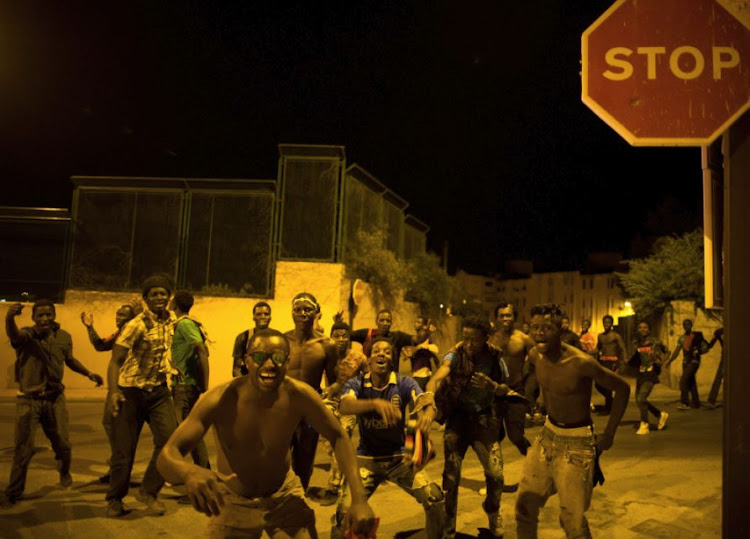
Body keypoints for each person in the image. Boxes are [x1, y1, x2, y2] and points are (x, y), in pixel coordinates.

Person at [156, 328, 377, 538]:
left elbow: (338, 435)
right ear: (246, 360)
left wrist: (358, 499)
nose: (270, 365)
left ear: (288, 362)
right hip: (233, 501)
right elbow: (167, 455)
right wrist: (188, 472)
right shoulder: (220, 399)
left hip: (284, 496)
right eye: (260, 357)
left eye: (279, 357)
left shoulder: (299, 395)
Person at [515, 304, 630, 539]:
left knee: (572, 522)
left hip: (577, 443)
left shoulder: (581, 363)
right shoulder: (536, 355)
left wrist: (609, 434)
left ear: (560, 330)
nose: (539, 333)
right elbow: (547, 386)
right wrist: (542, 403)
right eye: (535, 327)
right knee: (524, 507)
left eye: (547, 328)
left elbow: (623, 388)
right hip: (547, 435)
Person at [332, 337, 446, 539]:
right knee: (344, 516)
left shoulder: (404, 382)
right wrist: (375, 404)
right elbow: (345, 406)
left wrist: (428, 414)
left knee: (435, 498)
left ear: (392, 359)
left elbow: (424, 400)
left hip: (399, 458)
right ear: (368, 359)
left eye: (386, 351)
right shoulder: (356, 383)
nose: (381, 354)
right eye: (376, 351)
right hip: (367, 460)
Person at [2, 300, 104, 507]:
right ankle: (13, 492)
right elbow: (14, 335)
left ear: (54, 315)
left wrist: (89, 373)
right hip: (29, 400)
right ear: (33, 318)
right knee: (23, 448)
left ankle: (64, 472)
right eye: (40, 315)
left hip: (55, 398)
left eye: (48, 314)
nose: (45, 319)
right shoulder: (27, 335)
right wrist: (9, 317)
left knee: (63, 444)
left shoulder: (64, 337)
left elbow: (70, 360)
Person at [429, 316, 510, 539]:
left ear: (485, 338)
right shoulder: (456, 354)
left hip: (484, 421)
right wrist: (429, 394)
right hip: (457, 420)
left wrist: (492, 386)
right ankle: (448, 527)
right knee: (451, 476)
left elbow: (505, 388)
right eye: (465, 338)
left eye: (473, 339)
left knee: (496, 475)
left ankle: (492, 511)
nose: (468, 344)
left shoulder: (495, 357)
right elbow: (440, 373)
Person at [105, 274, 179, 518]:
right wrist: (114, 391)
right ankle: (115, 499)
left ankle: (148, 491)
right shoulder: (135, 324)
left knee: (170, 442)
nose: (159, 297)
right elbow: (115, 361)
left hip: (158, 391)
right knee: (124, 452)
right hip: (131, 393)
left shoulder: (172, 321)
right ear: (146, 299)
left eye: (163, 293)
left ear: (169, 297)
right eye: (153, 294)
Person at [284, 292, 339, 491]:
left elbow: (334, 381)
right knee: (278, 455)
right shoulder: (282, 341)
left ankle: (299, 497)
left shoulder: (327, 345)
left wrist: (328, 400)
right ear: (292, 312)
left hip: (310, 408)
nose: (302, 313)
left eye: (307, 309)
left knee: (305, 459)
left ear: (316, 312)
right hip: (284, 405)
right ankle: (275, 499)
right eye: (298, 309)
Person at [80, 304, 137, 483]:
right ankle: (117, 465)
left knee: (116, 425)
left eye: (123, 315)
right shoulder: (119, 333)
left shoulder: (131, 332)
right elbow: (100, 345)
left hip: (125, 386)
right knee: (112, 424)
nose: (118, 317)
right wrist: (90, 327)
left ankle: (120, 467)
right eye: (118, 313)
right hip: (117, 384)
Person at [319, 315, 368, 502]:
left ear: (349, 337)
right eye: (337, 336)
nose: (341, 339)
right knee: (328, 439)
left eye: (345, 336)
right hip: (329, 401)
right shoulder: (324, 354)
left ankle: (333, 487)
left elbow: (368, 376)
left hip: (350, 402)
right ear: (331, 337)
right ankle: (346, 464)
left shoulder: (358, 357)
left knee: (342, 436)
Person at [169, 290, 210, 472]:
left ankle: (201, 473)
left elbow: (202, 352)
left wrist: (205, 385)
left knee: (188, 433)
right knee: (185, 431)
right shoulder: (183, 324)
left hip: (184, 385)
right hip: (183, 384)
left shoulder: (185, 324)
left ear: (175, 305)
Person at [488, 302, 534, 456]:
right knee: (493, 436)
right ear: (496, 318)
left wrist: (532, 393)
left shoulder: (524, 339)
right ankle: (494, 475)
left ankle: (534, 462)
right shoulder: (490, 339)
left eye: (509, 315)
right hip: (494, 392)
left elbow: (538, 365)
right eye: (501, 316)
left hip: (516, 391)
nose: (505, 318)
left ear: (514, 317)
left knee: (516, 436)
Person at [628, 321, 669, 434]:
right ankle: (660, 414)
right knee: (639, 400)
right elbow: (635, 358)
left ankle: (644, 424)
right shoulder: (637, 343)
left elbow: (667, 352)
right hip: (641, 374)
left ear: (649, 329)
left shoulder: (655, 342)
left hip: (651, 374)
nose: (643, 329)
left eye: (645, 327)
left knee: (641, 398)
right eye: (640, 327)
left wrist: (660, 362)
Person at [664, 319, 709, 410]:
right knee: (691, 383)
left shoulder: (697, 337)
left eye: (688, 324)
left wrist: (698, 351)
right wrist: (669, 361)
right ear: (683, 326)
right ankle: (696, 403)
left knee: (683, 381)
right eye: (685, 324)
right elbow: (676, 351)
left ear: (691, 325)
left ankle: (685, 403)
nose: (686, 326)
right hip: (685, 362)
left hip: (694, 362)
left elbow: (706, 348)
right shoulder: (682, 338)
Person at [350, 309, 415, 367]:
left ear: (391, 323)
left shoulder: (397, 337)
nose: (385, 323)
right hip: (369, 377)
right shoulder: (367, 334)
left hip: (391, 378)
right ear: (376, 321)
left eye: (388, 321)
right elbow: (347, 335)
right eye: (382, 320)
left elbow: (416, 340)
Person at [593, 314, 626, 415]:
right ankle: (610, 402)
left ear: (611, 324)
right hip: (602, 362)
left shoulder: (616, 336)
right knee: (598, 384)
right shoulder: (600, 336)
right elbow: (597, 348)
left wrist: (623, 362)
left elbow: (622, 349)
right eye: (604, 322)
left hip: (612, 362)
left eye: (608, 322)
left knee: (608, 385)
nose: (606, 324)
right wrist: (586, 352)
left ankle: (609, 408)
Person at [232, 301, 272, 378]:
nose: (262, 317)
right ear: (253, 317)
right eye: (258, 314)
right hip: (247, 381)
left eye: (266, 314)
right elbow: (236, 368)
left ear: (270, 317)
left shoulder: (276, 338)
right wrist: (243, 386)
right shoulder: (243, 337)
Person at [403, 315, 440, 391]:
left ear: (424, 326)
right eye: (416, 322)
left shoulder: (426, 338)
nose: (416, 324)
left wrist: (421, 347)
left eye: (419, 322)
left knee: (416, 396)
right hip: (417, 373)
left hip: (423, 373)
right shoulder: (416, 338)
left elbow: (435, 349)